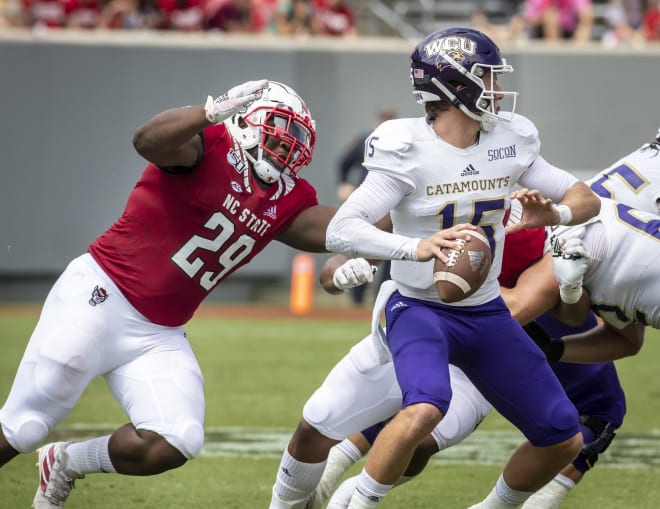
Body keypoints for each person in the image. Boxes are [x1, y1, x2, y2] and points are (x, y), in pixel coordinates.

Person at [270, 26, 601, 509]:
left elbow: (584, 196)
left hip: (486, 312)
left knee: (562, 434)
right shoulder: (406, 147)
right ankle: (350, 502)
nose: (496, 88)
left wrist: (557, 215)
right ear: (454, 85)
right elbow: (343, 229)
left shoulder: (510, 139)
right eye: (486, 76)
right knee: (416, 408)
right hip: (417, 306)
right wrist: (416, 247)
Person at [0, 79, 343, 508]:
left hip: (158, 334)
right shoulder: (211, 143)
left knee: (177, 438)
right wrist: (209, 111)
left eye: (295, 139)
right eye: (279, 128)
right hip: (100, 295)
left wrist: (413, 204)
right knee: (23, 427)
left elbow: (345, 227)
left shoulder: (285, 199)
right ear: (247, 117)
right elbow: (146, 141)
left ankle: (65, 462)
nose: (286, 147)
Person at [317, 226, 626, 509]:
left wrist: (556, 340)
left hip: (585, 397)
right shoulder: (462, 228)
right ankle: (336, 482)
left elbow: (627, 338)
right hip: (482, 359)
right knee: (417, 423)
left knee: (543, 480)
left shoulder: (561, 248)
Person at [337, 106, 397, 305]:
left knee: (390, 252)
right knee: (363, 249)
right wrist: (343, 183)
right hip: (368, 204)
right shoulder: (365, 140)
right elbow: (343, 162)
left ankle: (384, 296)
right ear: (376, 121)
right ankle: (357, 298)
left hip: (391, 207)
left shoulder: (400, 142)